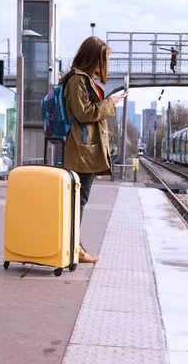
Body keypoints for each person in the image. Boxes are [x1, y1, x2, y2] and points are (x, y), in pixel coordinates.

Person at [60, 36, 127, 263]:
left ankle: (73, 245)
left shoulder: (83, 79)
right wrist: (112, 103)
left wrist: (109, 101)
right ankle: (72, 247)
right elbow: (84, 113)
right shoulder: (78, 80)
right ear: (92, 58)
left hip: (84, 147)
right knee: (78, 199)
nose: (103, 65)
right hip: (82, 148)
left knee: (78, 198)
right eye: (102, 59)